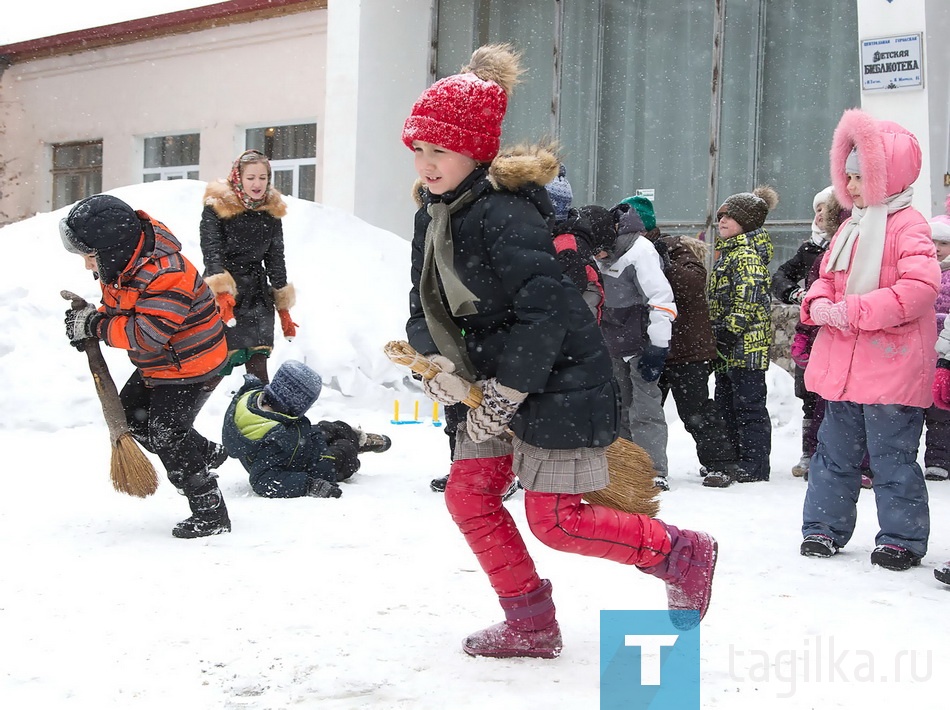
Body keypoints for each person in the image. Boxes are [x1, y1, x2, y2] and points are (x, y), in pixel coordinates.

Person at [402, 43, 717, 659]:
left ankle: (680, 552)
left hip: (556, 381)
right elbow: (422, 305)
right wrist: (435, 361)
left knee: (558, 520)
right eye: (418, 148)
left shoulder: (505, 215)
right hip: (482, 382)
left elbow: (547, 314)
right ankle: (531, 622)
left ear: (476, 149)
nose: (426, 163)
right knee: (468, 494)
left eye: (439, 149)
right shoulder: (433, 217)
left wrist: (508, 391)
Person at [799, 109, 940, 572]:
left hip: (890, 368)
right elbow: (827, 278)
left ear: (887, 176)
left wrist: (852, 312)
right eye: (849, 176)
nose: (852, 186)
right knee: (833, 455)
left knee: (892, 460)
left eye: (861, 177)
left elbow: (918, 291)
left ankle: (901, 537)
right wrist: (818, 303)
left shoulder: (909, 227)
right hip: (844, 368)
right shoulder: (852, 225)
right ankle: (823, 527)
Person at [60, 194, 232, 538]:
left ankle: (210, 512)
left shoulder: (168, 274)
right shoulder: (123, 265)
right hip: (161, 363)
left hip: (193, 365)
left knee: (166, 434)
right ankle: (205, 453)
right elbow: (120, 313)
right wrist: (90, 320)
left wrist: (94, 327)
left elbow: (146, 333)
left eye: (89, 257)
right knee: (132, 421)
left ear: (111, 249)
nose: (87, 266)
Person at [621, 196, 741, 484]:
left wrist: (661, 264)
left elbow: (694, 282)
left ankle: (721, 464)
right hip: (650, 348)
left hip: (688, 351)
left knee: (696, 410)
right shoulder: (626, 253)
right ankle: (640, 465)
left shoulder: (675, 247)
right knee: (642, 410)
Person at [592, 201, 676, 490]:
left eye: (601, 251)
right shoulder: (596, 250)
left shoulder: (640, 251)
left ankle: (653, 470)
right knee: (618, 407)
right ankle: (626, 467)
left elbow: (661, 299)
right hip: (610, 341)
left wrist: (659, 345)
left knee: (645, 407)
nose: (599, 256)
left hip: (642, 343)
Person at [222, 360, 391, 498]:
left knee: (331, 427)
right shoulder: (270, 440)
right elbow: (262, 481)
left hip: (299, 441)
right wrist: (309, 485)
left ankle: (360, 438)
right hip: (307, 465)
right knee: (344, 450)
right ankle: (354, 447)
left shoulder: (256, 403)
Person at [200, 149, 296, 386]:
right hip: (225, 291)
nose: (257, 184)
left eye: (262, 178)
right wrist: (221, 294)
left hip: (257, 294)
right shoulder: (218, 207)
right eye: (251, 177)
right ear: (238, 177)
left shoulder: (271, 211)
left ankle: (257, 417)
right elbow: (211, 250)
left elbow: (276, 257)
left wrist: (283, 305)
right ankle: (181, 419)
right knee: (214, 366)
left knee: (258, 362)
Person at [705, 185, 777, 486]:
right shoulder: (729, 253)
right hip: (728, 350)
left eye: (729, 217)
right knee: (725, 404)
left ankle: (755, 464)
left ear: (746, 223)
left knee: (748, 406)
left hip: (747, 349)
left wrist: (727, 334)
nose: (721, 222)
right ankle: (734, 458)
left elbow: (746, 300)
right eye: (720, 216)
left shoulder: (745, 256)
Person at [777, 187, 846, 478]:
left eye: (825, 209)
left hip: (837, 331)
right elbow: (779, 277)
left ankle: (837, 456)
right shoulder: (809, 250)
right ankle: (809, 452)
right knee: (811, 399)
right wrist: (796, 294)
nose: (819, 214)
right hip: (810, 333)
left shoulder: (847, 246)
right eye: (815, 209)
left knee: (838, 401)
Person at [922, 213, 950, 481]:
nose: (937, 249)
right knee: (910, 409)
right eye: (933, 242)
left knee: (940, 410)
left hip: (944, 353)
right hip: (917, 352)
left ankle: (938, 458)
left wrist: (938, 320)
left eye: (944, 243)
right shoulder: (919, 271)